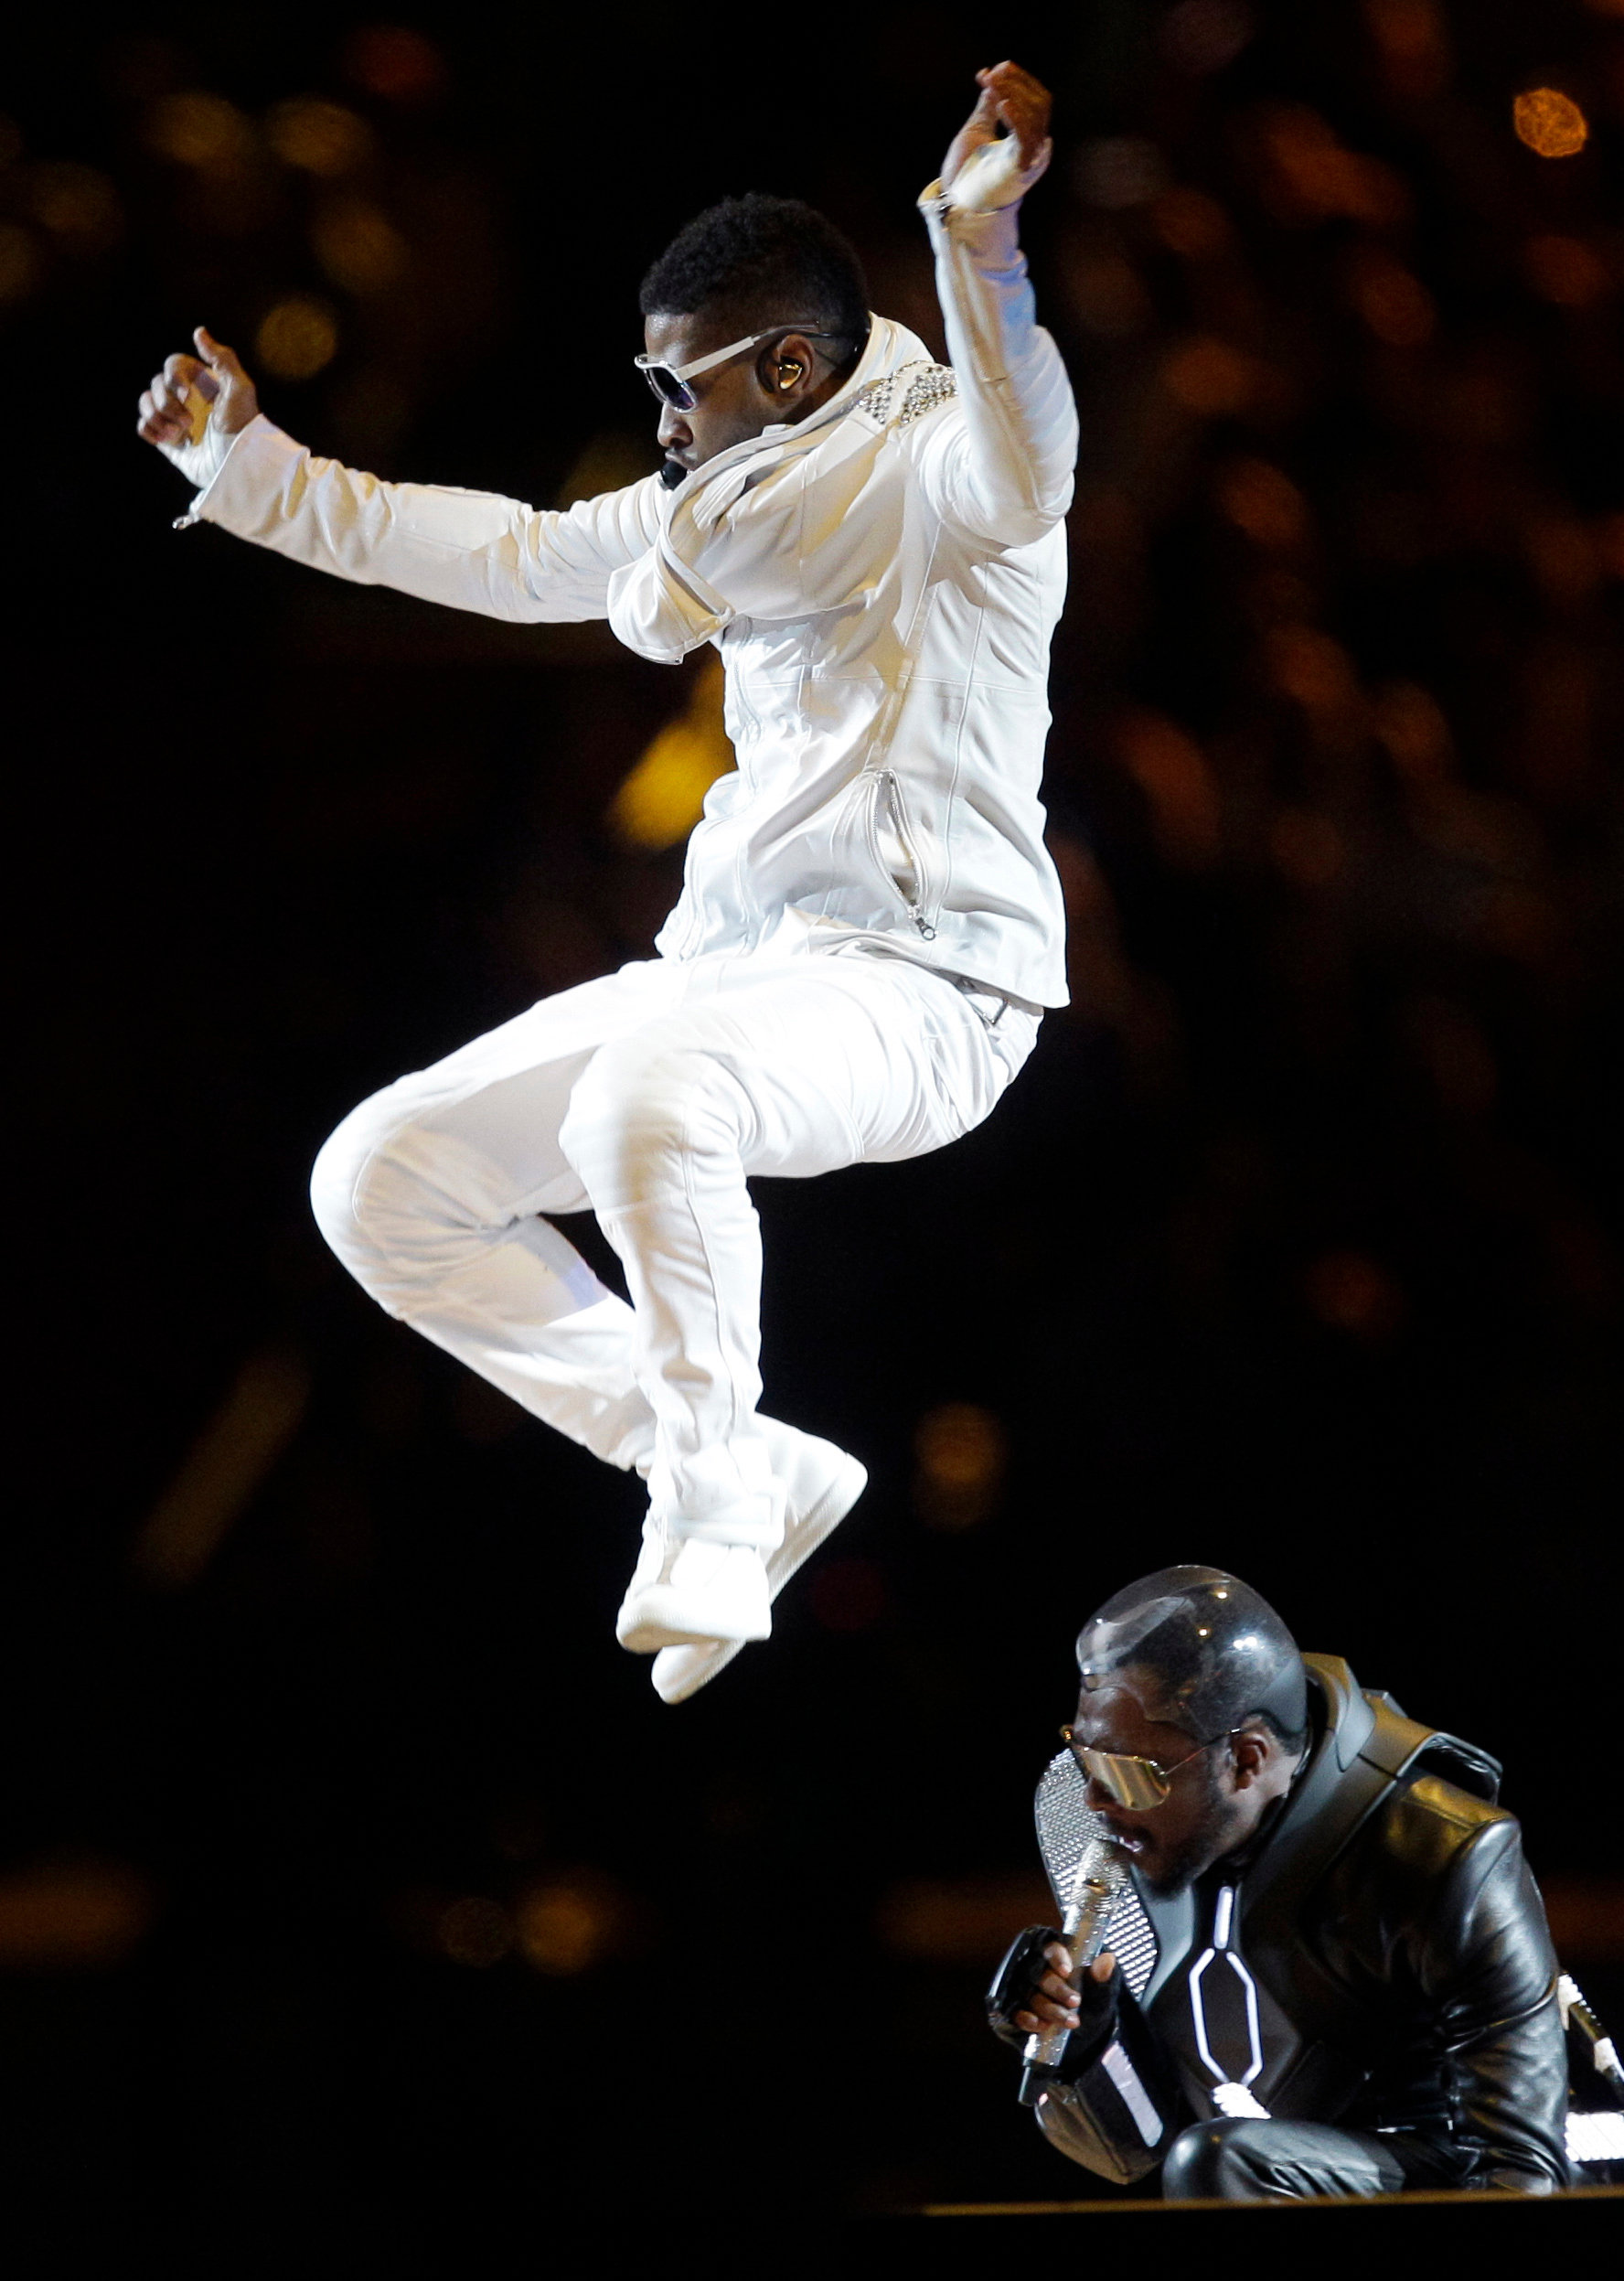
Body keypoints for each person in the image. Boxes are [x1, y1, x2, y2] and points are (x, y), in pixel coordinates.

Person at [135, 63, 1074, 1703]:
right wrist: (259, 471)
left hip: (930, 992)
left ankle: (709, 1497)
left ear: (787, 368)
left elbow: (1029, 451)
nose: (658, 430)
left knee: (651, 1087)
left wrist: (977, 247)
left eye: (679, 392)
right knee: (381, 1176)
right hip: (741, 971)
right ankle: (731, 1458)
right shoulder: (727, 497)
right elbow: (507, 554)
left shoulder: (944, 479)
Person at [987, 1566, 1576, 2199]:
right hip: (1231, 2168)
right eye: (1084, 1757)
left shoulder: (1441, 1850)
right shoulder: (1105, 1826)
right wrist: (1089, 2039)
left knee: (1220, 2161)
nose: (1095, 1799)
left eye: (1130, 1774)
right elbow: (1138, 2154)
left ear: (1246, 1759)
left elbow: (1522, 2172)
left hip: (1436, 2181)